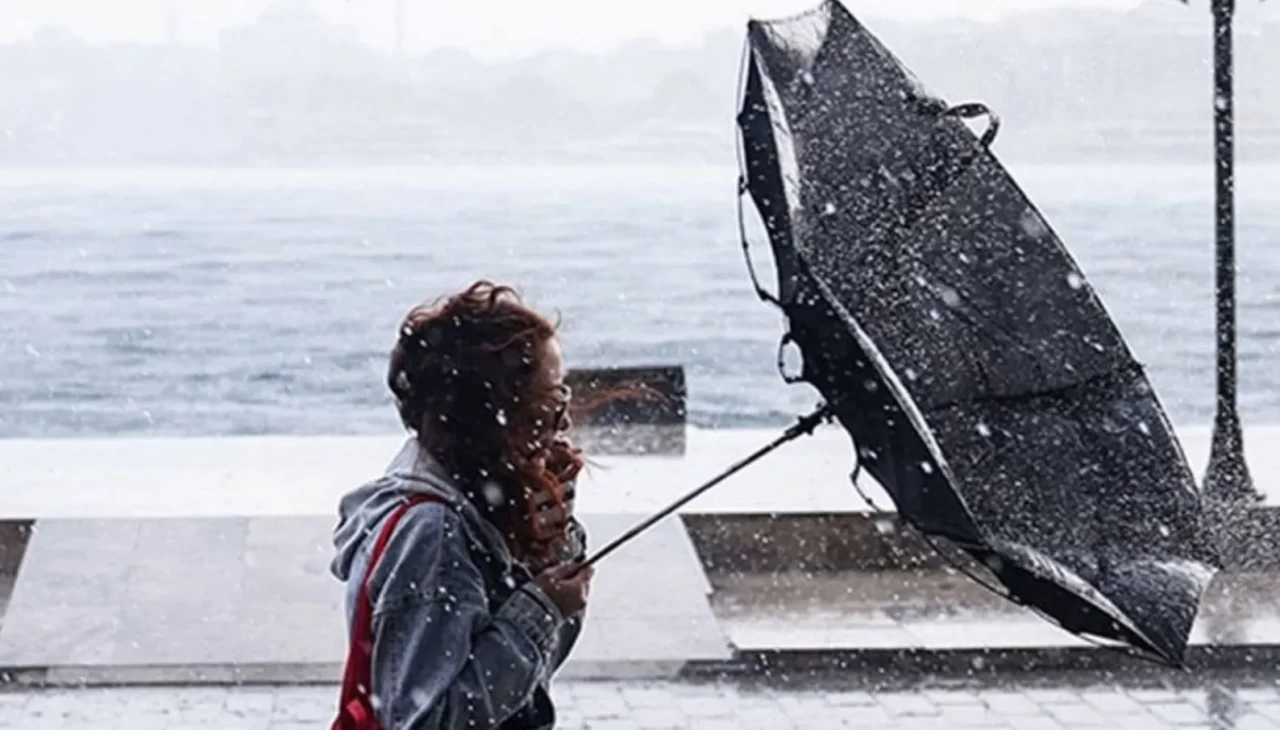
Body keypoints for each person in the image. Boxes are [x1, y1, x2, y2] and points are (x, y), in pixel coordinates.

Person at [330, 281, 595, 730]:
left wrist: (548, 548)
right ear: (495, 415)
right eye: (550, 402)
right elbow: (429, 720)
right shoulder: (433, 534)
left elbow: (527, 685)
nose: (564, 422)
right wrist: (541, 609)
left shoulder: (462, 501)